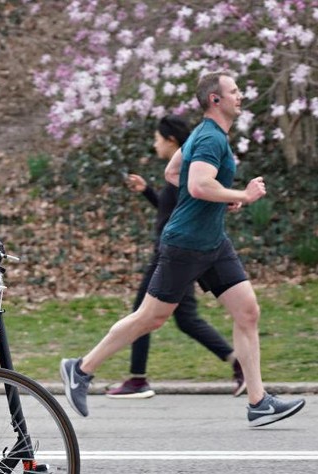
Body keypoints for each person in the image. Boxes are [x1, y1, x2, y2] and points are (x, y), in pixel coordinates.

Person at [61, 71, 306, 427]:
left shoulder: (205, 136)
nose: (241, 95)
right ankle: (80, 370)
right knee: (151, 317)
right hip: (185, 244)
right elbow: (197, 183)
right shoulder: (209, 138)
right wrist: (241, 195)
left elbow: (174, 172)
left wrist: (219, 200)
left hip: (213, 242)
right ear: (215, 100)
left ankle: (259, 401)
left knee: (248, 311)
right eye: (234, 91)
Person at [109, 115, 244, 398]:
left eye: (157, 139)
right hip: (178, 253)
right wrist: (146, 191)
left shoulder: (181, 174)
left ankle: (136, 379)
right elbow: (170, 210)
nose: (154, 144)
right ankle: (237, 363)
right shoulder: (180, 174)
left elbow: (182, 214)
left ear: (171, 141)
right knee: (185, 319)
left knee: (142, 314)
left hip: (170, 255)